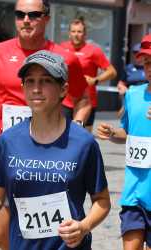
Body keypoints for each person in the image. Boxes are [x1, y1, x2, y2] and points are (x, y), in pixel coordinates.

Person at [0, 1, 90, 249]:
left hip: (53, 154)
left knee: (44, 228)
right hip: (7, 152)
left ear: (46, 18)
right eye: (20, 14)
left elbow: (83, 99)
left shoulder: (65, 58)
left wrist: (77, 127)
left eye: (34, 14)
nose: (26, 20)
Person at [0, 50, 110, 250]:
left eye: (46, 81)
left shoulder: (84, 143)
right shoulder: (7, 141)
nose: (36, 89)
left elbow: (102, 201)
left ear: (63, 89)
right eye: (29, 81)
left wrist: (84, 226)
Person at [97, 33, 151, 250]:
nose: (149, 67)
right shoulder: (133, 94)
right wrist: (112, 133)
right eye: (146, 62)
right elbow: (128, 134)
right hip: (134, 192)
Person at [60, 18, 117, 132]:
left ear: (85, 34)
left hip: (86, 102)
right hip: (66, 101)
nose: (76, 35)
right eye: (73, 31)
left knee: (83, 138)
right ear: (69, 33)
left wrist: (95, 80)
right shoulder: (62, 48)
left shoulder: (93, 51)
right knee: (62, 136)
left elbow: (112, 72)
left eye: (79, 32)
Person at [117, 43, 147, 117]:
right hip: (130, 99)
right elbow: (121, 83)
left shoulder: (148, 68)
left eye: (139, 53)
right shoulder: (128, 68)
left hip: (146, 100)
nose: (137, 56)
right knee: (126, 121)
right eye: (135, 53)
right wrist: (122, 88)